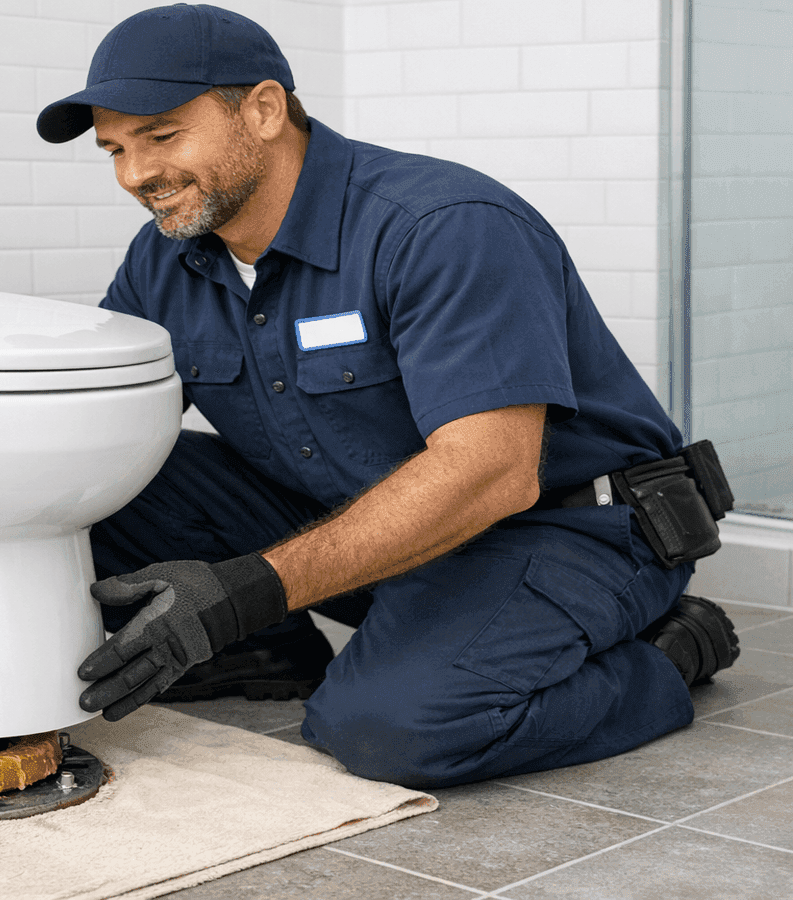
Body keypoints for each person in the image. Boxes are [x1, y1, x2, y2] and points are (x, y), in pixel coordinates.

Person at [36, 3, 741, 789]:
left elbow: (492, 472)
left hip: (563, 529)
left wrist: (244, 592)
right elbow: (101, 427)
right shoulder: (165, 258)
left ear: (264, 110)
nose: (135, 176)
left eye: (162, 136)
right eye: (116, 150)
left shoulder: (442, 226)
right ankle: (271, 652)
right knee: (83, 489)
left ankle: (670, 654)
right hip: (364, 517)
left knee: (385, 728)